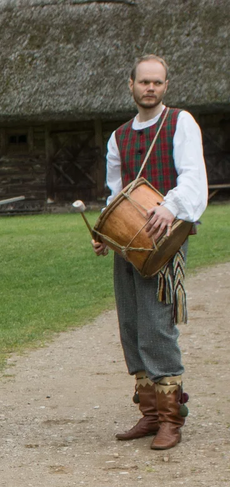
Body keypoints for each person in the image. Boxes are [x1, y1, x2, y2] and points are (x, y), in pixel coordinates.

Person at [94, 54, 206, 451]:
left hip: (166, 238)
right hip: (128, 241)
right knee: (131, 323)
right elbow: (115, 192)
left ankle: (171, 420)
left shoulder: (181, 123)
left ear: (166, 86)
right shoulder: (119, 137)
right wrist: (106, 232)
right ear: (131, 85)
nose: (151, 88)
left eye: (157, 82)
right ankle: (150, 413)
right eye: (144, 82)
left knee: (157, 324)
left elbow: (193, 178)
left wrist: (170, 207)